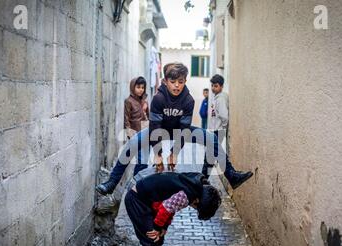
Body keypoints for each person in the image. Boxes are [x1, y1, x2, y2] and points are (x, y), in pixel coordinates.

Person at [96, 63, 253, 195]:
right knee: (132, 144)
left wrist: (174, 153)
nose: (177, 85)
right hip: (159, 129)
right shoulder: (159, 98)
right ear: (165, 82)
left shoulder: (188, 100)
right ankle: (111, 183)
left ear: (185, 81)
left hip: (180, 130)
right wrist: (158, 154)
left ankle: (231, 175)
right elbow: (155, 127)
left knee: (211, 139)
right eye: (173, 82)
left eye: (181, 81)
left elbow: (184, 130)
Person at [203, 74, 230, 177]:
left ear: (221, 86)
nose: (213, 88)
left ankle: (203, 180)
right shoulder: (216, 98)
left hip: (217, 131)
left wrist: (222, 128)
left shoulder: (221, 99)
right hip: (214, 131)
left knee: (210, 156)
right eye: (212, 86)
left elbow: (224, 116)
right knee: (210, 157)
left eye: (216, 86)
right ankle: (203, 179)